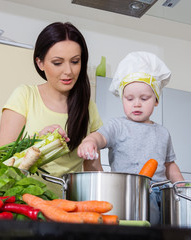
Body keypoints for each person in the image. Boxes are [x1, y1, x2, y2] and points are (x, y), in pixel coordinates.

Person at [0, 22, 103, 197]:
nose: (68, 71)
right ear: (40, 63)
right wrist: (36, 142)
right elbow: (1, 162)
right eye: (57, 63)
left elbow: (92, 167)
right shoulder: (25, 95)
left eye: (75, 61)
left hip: (70, 206)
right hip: (26, 201)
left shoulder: (88, 107)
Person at [77, 51, 184, 225]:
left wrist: (180, 184)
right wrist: (90, 142)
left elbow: (169, 164)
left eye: (144, 98)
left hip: (161, 193)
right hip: (126, 194)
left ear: (156, 100)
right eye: (129, 98)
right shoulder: (117, 126)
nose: (136, 104)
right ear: (122, 99)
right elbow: (100, 137)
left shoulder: (163, 133)